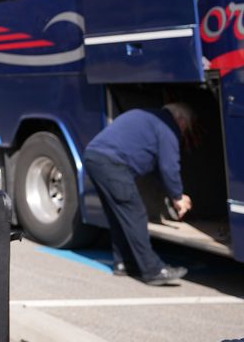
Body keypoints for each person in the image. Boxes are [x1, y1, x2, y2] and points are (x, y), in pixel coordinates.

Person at [83, 103, 195, 285]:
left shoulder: (148, 117)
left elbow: (159, 168)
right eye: (186, 127)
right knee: (135, 214)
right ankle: (153, 270)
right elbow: (169, 166)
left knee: (119, 215)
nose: (183, 132)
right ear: (181, 119)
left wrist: (171, 193)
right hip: (113, 164)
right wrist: (178, 196)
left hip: (94, 158)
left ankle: (124, 263)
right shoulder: (167, 126)